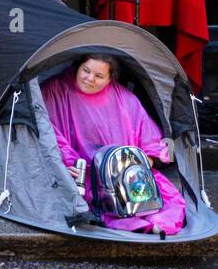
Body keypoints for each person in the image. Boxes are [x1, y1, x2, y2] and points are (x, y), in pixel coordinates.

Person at [41, 54, 186, 236]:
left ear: (110, 79)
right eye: (86, 71)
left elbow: (149, 136)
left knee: (161, 198)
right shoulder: (53, 90)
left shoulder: (125, 98)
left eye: (99, 76)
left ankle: (152, 222)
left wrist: (147, 160)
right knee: (102, 203)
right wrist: (63, 163)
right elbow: (48, 134)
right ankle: (136, 224)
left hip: (122, 172)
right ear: (77, 67)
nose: (89, 78)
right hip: (82, 173)